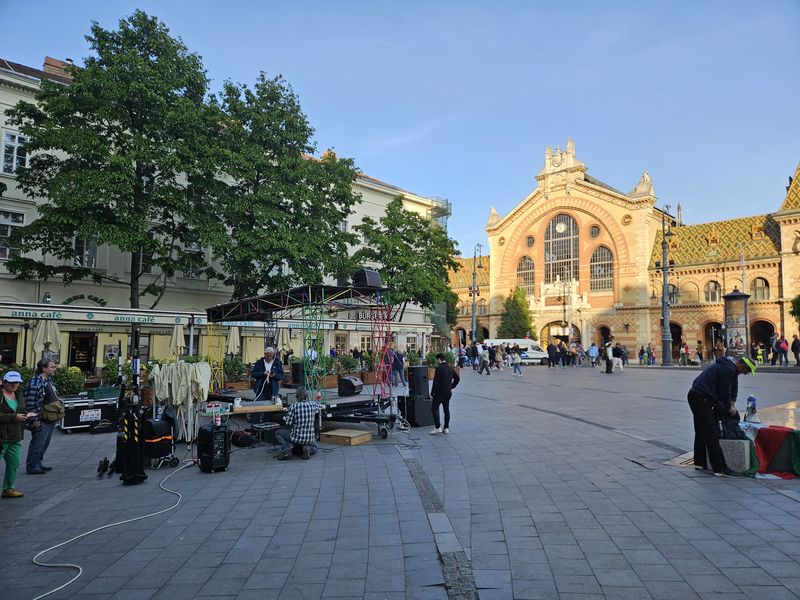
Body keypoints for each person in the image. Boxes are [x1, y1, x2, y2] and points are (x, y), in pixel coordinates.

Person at [687, 356, 756, 477]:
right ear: (743, 366)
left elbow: (733, 389)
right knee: (712, 433)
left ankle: (700, 462)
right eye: (747, 371)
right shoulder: (728, 370)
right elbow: (724, 392)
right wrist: (729, 408)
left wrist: (732, 403)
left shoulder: (731, 368)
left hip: (696, 395)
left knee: (701, 430)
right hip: (701, 398)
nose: (746, 373)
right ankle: (720, 469)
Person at [25, 358, 58, 475]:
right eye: (52, 367)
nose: (55, 369)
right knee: (38, 443)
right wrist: (34, 419)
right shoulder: (35, 383)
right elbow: (30, 403)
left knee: (45, 442)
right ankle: (32, 466)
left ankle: (38, 463)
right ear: (44, 369)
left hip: (50, 416)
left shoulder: (48, 380)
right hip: (40, 418)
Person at [1, 371, 28, 497]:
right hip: (1, 437)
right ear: (4, 382)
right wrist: (14, 417)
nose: (14, 385)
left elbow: (22, 410)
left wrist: (27, 416)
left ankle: (8, 488)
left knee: (14, 463)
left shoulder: (19, 393)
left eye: (16, 382)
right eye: (11, 382)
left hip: (15, 436)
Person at [276, 387, 321, 460]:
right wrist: (318, 393)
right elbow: (319, 403)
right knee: (315, 447)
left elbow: (288, 423)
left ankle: (286, 449)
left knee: (278, 433)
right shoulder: (312, 404)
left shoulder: (293, 406)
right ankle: (308, 449)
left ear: (296, 396)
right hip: (309, 438)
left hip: (296, 438)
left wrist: (290, 419)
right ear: (307, 396)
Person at [429, 353, 460, 434]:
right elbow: (457, 378)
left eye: (437, 360)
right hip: (448, 392)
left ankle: (437, 427)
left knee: (434, 408)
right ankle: (446, 428)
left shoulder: (439, 368)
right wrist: (451, 386)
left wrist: (432, 394)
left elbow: (435, 382)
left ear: (439, 359)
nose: (436, 361)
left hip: (439, 393)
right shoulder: (450, 368)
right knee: (446, 409)